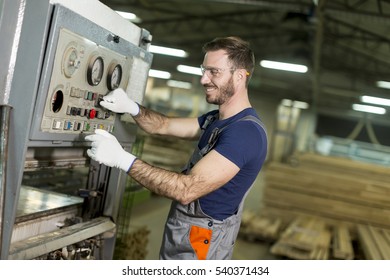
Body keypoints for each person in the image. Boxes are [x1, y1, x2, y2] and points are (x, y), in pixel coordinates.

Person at [85, 36, 268, 260]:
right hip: (189, 228)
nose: (203, 79)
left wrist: (122, 159)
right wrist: (132, 108)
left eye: (214, 72)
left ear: (240, 76)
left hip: (203, 239)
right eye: (204, 70)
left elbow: (186, 190)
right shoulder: (217, 120)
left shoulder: (245, 133)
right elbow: (164, 125)